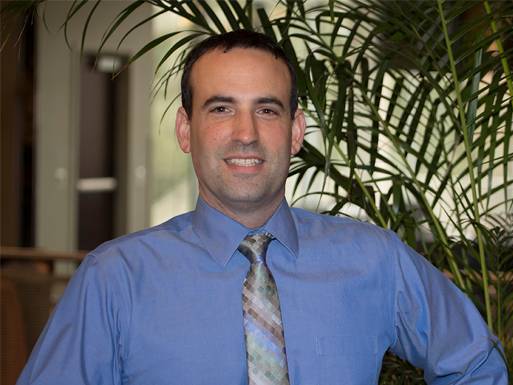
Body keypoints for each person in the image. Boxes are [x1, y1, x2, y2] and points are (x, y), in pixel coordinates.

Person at [18, 30, 507, 385]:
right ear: (186, 130)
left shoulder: (374, 259)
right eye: (222, 108)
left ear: (296, 131)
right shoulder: (115, 279)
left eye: (267, 110)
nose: (246, 133)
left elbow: (477, 365)